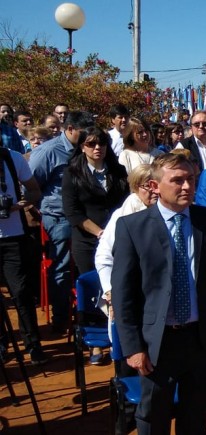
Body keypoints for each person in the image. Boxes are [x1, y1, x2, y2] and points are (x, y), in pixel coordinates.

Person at [112, 152, 206, 434]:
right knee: (153, 414)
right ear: (155, 186)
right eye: (177, 180)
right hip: (158, 341)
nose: (186, 187)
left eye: (191, 179)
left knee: (195, 414)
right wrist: (132, 347)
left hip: (200, 337)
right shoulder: (132, 227)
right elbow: (124, 294)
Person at [62, 126, 129, 362]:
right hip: (88, 240)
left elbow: (126, 203)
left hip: (119, 239)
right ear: (82, 147)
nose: (97, 148)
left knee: (118, 287)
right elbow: (73, 212)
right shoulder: (72, 173)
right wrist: (101, 233)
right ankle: (96, 344)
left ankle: (119, 337)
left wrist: (115, 232)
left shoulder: (118, 170)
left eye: (101, 143)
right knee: (93, 291)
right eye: (91, 144)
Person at [29, 111, 95, 332]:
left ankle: (92, 312)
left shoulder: (87, 149)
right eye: (83, 132)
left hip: (87, 216)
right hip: (59, 218)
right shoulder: (47, 152)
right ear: (69, 129)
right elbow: (31, 186)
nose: (88, 137)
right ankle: (62, 316)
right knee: (63, 266)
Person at [0, 142, 47, 364]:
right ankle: (2, 343)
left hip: (14, 237)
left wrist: (19, 205)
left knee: (21, 292)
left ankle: (32, 343)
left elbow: (34, 190)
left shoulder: (14, 158)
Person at [94, 164, 157, 328]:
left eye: (155, 184)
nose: (153, 190)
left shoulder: (166, 213)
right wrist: (111, 293)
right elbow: (103, 257)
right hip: (125, 293)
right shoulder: (122, 216)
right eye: (146, 186)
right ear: (136, 187)